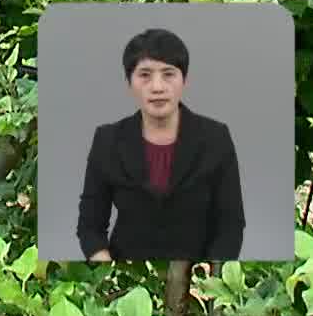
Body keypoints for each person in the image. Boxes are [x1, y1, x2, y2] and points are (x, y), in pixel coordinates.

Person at [77, 27, 244, 262]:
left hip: (197, 275)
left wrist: (211, 276)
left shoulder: (216, 138)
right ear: (129, 81)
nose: (157, 87)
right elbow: (89, 225)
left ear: (184, 80)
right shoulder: (108, 140)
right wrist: (106, 268)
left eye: (168, 74)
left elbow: (231, 224)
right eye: (144, 74)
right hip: (126, 272)